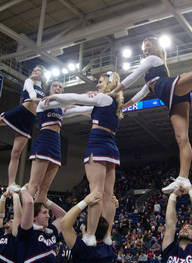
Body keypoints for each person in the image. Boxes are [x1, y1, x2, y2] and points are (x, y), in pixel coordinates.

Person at [111, 37, 192, 194]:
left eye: (148, 45)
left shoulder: (153, 59)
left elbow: (133, 76)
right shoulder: (150, 75)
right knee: (182, 138)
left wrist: (113, 92)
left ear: (156, 47)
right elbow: (139, 96)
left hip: (172, 87)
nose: (145, 49)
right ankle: (183, 177)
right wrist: (122, 107)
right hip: (173, 99)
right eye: (143, 47)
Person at [44, 71, 124, 246]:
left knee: (95, 191)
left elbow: (76, 97)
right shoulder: (116, 104)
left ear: (109, 83)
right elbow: (79, 107)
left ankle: (89, 235)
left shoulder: (103, 98)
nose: (97, 85)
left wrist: (57, 95)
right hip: (111, 148)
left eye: (100, 81)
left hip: (98, 144)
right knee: (108, 195)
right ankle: (107, 234)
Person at [27, 80, 92, 202]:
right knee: (34, 184)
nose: (57, 88)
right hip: (44, 141)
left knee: (45, 187)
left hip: (56, 144)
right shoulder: (43, 103)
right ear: (49, 90)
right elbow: (68, 100)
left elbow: (82, 110)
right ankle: (23, 218)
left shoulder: (61, 110)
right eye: (54, 86)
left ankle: (36, 215)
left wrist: (99, 103)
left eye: (60, 87)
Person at [60, 192, 116, 263]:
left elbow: (64, 223)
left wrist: (85, 202)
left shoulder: (83, 249)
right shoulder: (109, 248)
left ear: (88, 229)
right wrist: (112, 204)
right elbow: (109, 225)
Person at [16, 183, 66, 262]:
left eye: (48, 213)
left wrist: (46, 201)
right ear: (34, 217)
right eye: (44, 213)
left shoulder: (50, 231)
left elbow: (64, 217)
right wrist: (24, 188)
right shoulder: (27, 232)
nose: (48, 216)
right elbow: (29, 203)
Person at [161, 185, 192, 263]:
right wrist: (173, 195)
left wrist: (191, 191)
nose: (185, 228)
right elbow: (170, 224)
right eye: (183, 228)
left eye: (190, 228)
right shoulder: (170, 250)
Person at [0, 189, 21, 263]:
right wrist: (3, 197)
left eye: (13, 221)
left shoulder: (14, 238)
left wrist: (15, 196)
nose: (10, 221)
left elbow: (18, 217)